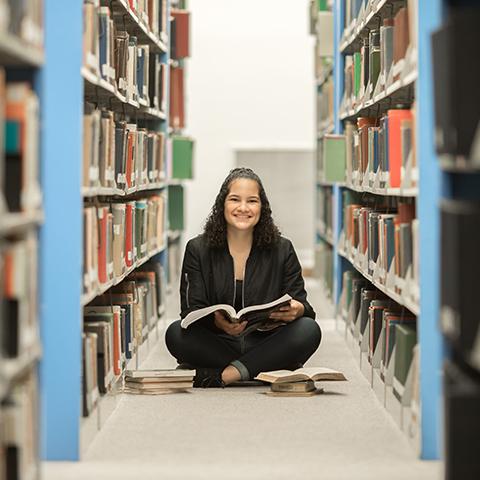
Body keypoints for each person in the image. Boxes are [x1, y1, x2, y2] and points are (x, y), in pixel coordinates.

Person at [165, 167, 321, 388]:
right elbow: (190, 310)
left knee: (308, 330)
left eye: (252, 201)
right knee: (175, 333)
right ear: (223, 205)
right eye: (235, 199)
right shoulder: (197, 249)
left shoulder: (282, 248)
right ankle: (263, 368)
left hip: (266, 340)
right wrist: (216, 322)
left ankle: (223, 375)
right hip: (218, 342)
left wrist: (297, 309)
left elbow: (303, 305)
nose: (243, 208)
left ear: (262, 207)